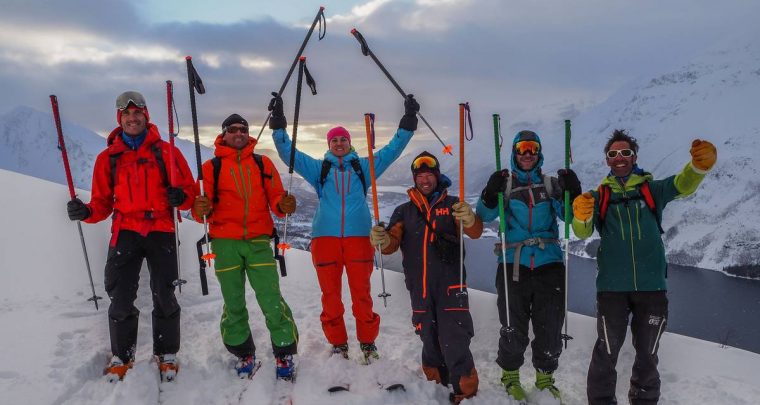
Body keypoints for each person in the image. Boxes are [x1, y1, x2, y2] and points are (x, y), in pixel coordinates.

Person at [269, 93, 418, 362]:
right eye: (334, 140)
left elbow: (392, 150)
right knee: (331, 296)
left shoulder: (364, 167)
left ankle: (368, 343)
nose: (339, 143)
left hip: (359, 238)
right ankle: (338, 343)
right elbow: (288, 152)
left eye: (343, 139)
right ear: (329, 145)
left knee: (362, 294)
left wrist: (408, 122)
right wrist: (278, 124)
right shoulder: (319, 169)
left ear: (350, 144)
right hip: (324, 239)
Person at [572, 130, 717, 405]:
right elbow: (581, 231)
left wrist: (698, 167)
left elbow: (682, 185)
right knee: (607, 350)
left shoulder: (651, 190)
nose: (619, 158)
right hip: (611, 289)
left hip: (652, 289)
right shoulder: (598, 196)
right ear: (607, 160)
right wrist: (580, 214)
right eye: (613, 154)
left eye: (625, 152)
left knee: (648, 353)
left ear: (634, 157)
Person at [66, 91, 195, 382]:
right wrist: (85, 212)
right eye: (127, 114)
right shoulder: (108, 158)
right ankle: (122, 355)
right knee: (120, 295)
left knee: (164, 292)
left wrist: (181, 196)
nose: (132, 118)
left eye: (137, 113)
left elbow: (190, 196)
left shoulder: (167, 152)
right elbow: (101, 204)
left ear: (145, 116)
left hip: (161, 229)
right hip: (125, 231)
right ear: (120, 119)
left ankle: (166, 353)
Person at [476, 130, 582, 402]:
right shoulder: (506, 185)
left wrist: (573, 192)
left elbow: (568, 218)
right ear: (513, 152)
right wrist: (490, 193)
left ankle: (545, 378)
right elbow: (485, 215)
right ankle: (510, 377)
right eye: (521, 148)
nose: (527, 154)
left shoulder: (551, 185)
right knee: (513, 325)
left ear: (539, 153)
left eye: (532, 148)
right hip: (513, 264)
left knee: (550, 325)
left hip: (549, 264)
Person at [191, 114, 299, 380]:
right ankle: (243, 352)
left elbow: (275, 196)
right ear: (224, 134)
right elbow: (199, 210)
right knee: (233, 300)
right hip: (224, 241)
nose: (239, 133)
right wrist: (198, 208)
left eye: (243, 129)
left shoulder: (262, 163)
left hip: (258, 240)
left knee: (271, 298)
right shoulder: (211, 167)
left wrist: (282, 205)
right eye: (233, 129)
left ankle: (284, 351)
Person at [370, 151, 482, 403]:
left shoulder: (453, 204)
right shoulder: (404, 211)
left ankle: (466, 392)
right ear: (414, 179)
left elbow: (475, 232)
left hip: (451, 286)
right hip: (419, 288)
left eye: (429, 175)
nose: (425, 180)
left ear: (437, 176)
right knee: (428, 338)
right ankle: (436, 390)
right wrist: (382, 239)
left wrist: (471, 219)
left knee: (455, 338)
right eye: (420, 176)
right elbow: (390, 244)